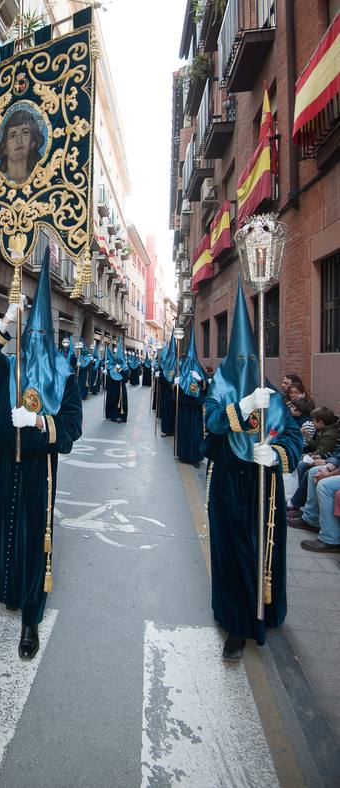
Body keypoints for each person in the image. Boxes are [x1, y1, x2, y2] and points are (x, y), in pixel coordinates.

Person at [0, 248, 82, 659]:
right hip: (4, 464)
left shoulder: (63, 375)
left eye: (38, 335)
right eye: (27, 334)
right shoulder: (10, 365)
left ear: (48, 336)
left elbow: (71, 428)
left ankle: (30, 619)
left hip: (40, 469)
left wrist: (37, 424)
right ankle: (7, 589)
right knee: (5, 528)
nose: (32, 342)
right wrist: (4, 322)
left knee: (35, 539)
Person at [204, 279, 302, 659]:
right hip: (228, 481)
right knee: (231, 552)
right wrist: (241, 408)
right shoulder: (221, 388)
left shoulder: (272, 394)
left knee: (262, 551)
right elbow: (211, 423)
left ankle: (266, 610)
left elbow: (293, 439)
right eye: (239, 360)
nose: (245, 367)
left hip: (264, 488)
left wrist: (276, 455)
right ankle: (237, 624)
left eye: (250, 361)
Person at [174, 328, 207, 468]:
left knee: (195, 434)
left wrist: (200, 380)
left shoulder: (199, 371)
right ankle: (183, 455)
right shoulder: (181, 370)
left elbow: (206, 388)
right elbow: (174, 392)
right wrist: (176, 383)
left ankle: (195, 458)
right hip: (184, 406)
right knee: (184, 431)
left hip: (195, 408)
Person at [0, 108, 44, 183]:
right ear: (4, 148)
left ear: (33, 142)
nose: (19, 140)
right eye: (12, 136)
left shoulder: (40, 178)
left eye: (25, 132)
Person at [105, 338, 129, 423]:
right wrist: (107, 371)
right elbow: (110, 376)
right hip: (113, 387)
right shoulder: (112, 365)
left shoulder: (125, 366)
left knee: (120, 401)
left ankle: (120, 416)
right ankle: (112, 415)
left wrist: (120, 370)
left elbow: (126, 377)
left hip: (120, 387)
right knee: (112, 400)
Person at [158, 333, 176, 437]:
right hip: (167, 394)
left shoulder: (178, 366)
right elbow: (162, 380)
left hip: (176, 394)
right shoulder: (164, 367)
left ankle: (174, 430)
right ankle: (166, 429)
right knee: (167, 412)